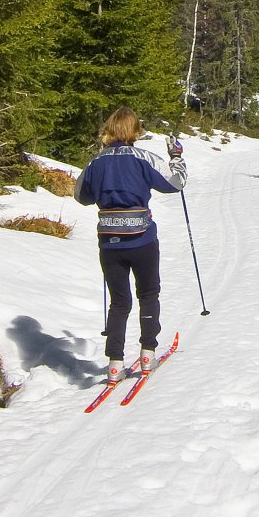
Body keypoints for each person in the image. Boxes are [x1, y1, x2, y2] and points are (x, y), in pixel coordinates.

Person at [74, 107, 187, 383]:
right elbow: (176, 183)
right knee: (148, 294)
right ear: (135, 130)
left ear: (109, 129)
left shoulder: (96, 162)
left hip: (109, 242)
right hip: (142, 238)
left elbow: (81, 196)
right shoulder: (143, 157)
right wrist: (176, 156)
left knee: (119, 301)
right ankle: (148, 353)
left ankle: (115, 362)